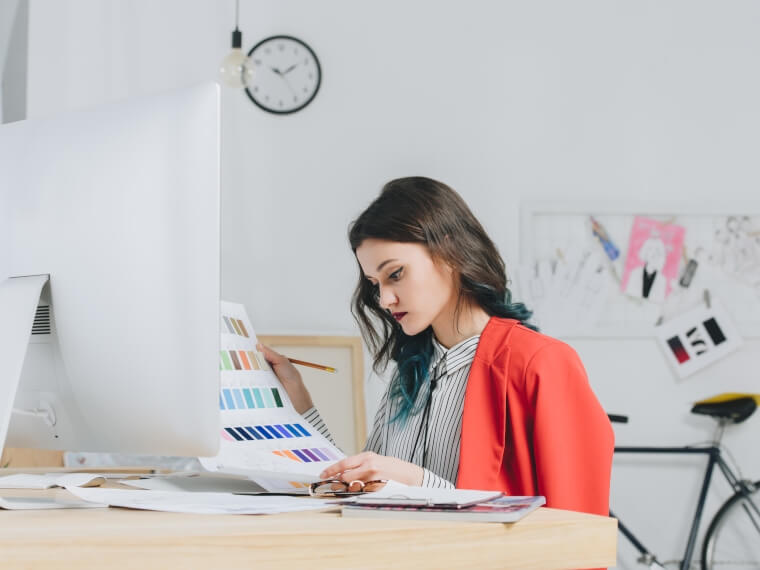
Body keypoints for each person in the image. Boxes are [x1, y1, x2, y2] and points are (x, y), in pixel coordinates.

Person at [260, 176, 614, 516]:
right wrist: (298, 402)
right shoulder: (410, 373)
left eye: (395, 274)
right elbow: (360, 489)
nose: (384, 299)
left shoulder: (540, 363)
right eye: (374, 283)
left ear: (449, 253)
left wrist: (417, 483)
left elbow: (576, 528)